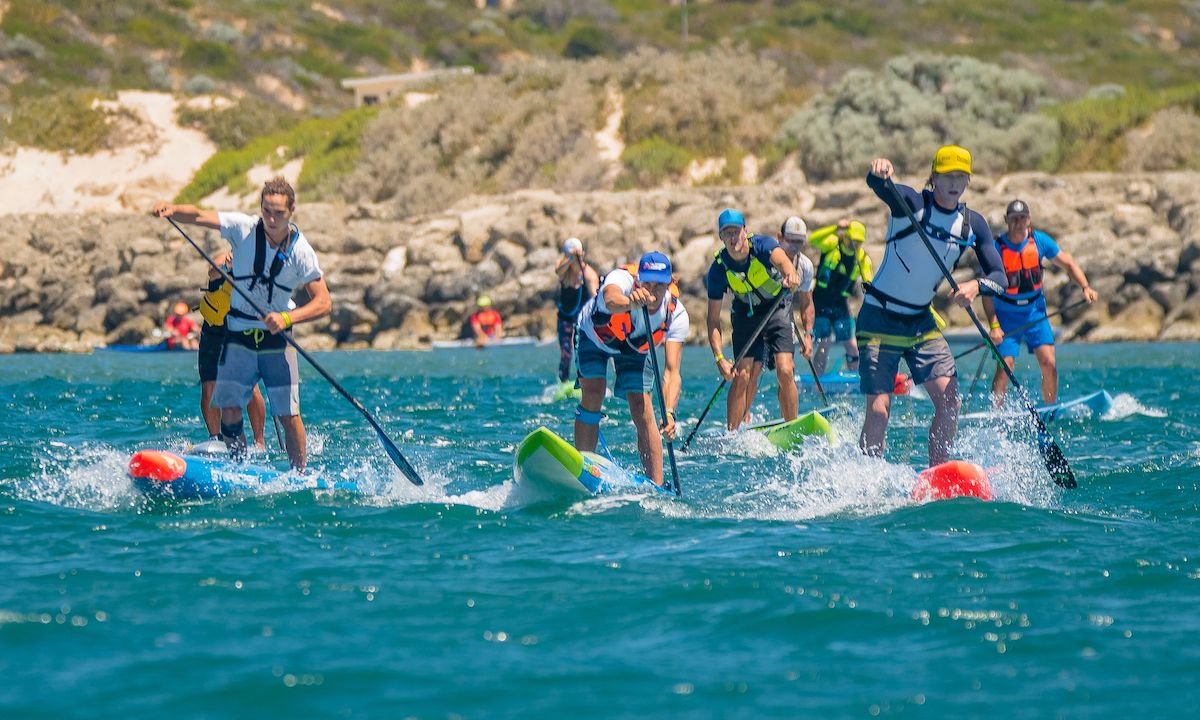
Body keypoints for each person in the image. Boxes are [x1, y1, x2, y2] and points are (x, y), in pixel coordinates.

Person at [152, 176, 332, 470]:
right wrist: (171, 209)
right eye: (267, 211)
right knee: (230, 408)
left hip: (276, 337)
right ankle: (239, 467)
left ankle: (300, 474)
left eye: (279, 213)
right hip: (239, 336)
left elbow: (324, 302)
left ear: (292, 210)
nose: (272, 219)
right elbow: (199, 215)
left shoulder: (301, 251)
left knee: (288, 414)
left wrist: (287, 317)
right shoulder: (244, 228)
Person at [860, 145, 1007, 466]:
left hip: (919, 322)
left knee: (950, 401)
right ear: (933, 179)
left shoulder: (973, 225)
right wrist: (879, 170)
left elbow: (1000, 277)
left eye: (961, 177)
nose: (954, 183)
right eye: (947, 176)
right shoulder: (911, 204)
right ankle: (865, 476)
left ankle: (938, 473)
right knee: (879, 407)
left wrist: (976, 285)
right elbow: (880, 186)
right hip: (878, 317)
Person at [574, 251, 688, 487]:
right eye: (646, 282)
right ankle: (581, 469)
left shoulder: (676, 314)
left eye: (659, 285)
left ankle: (656, 485)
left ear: (669, 283)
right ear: (637, 280)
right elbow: (610, 297)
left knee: (641, 405)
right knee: (594, 391)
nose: (651, 291)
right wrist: (631, 303)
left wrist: (669, 411)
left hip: (635, 350)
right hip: (594, 338)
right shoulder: (621, 280)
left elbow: (671, 371)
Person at [982, 199, 1100, 405]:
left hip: (1035, 312)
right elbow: (986, 293)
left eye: (1022, 218)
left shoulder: (1040, 241)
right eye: (1014, 219)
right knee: (1006, 365)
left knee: (1049, 362)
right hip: (1006, 315)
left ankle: (1050, 408)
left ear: (1029, 220)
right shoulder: (996, 248)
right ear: (1006, 220)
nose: (1018, 223)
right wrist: (993, 326)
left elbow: (1069, 264)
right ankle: (996, 414)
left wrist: (1085, 287)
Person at [705, 209, 812, 430]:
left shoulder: (762, 245)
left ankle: (792, 427)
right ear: (721, 237)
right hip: (746, 314)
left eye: (737, 231)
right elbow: (713, 320)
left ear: (745, 230)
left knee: (784, 369)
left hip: (777, 308)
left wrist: (790, 274)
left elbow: (783, 261)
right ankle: (733, 435)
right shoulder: (718, 269)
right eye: (727, 234)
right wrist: (719, 358)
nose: (733, 238)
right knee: (742, 374)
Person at [196, 249, 267, 449]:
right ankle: (215, 438)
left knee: (250, 387)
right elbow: (212, 272)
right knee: (209, 384)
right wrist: (228, 267)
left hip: (241, 331)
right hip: (214, 329)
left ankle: (259, 441)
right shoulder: (226, 256)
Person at [808, 218, 875, 375]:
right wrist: (835, 227)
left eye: (858, 242)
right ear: (845, 237)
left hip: (840, 304)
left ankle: (857, 378)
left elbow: (868, 278)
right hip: (821, 301)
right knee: (825, 342)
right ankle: (817, 380)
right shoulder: (832, 244)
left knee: (851, 344)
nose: (854, 245)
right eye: (852, 240)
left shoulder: (863, 259)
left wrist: (868, 284)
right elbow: (813, 239)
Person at [553, 237, 600, 383]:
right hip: (565, 319)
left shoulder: (589, 274)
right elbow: (558, 272)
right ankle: (563, 382)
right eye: (569, 257)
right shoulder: (562, 267)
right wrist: (570, 260)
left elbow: (595, 297)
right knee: (566, 353)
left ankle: (583, 383)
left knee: (581, 351)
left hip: (582, 321)